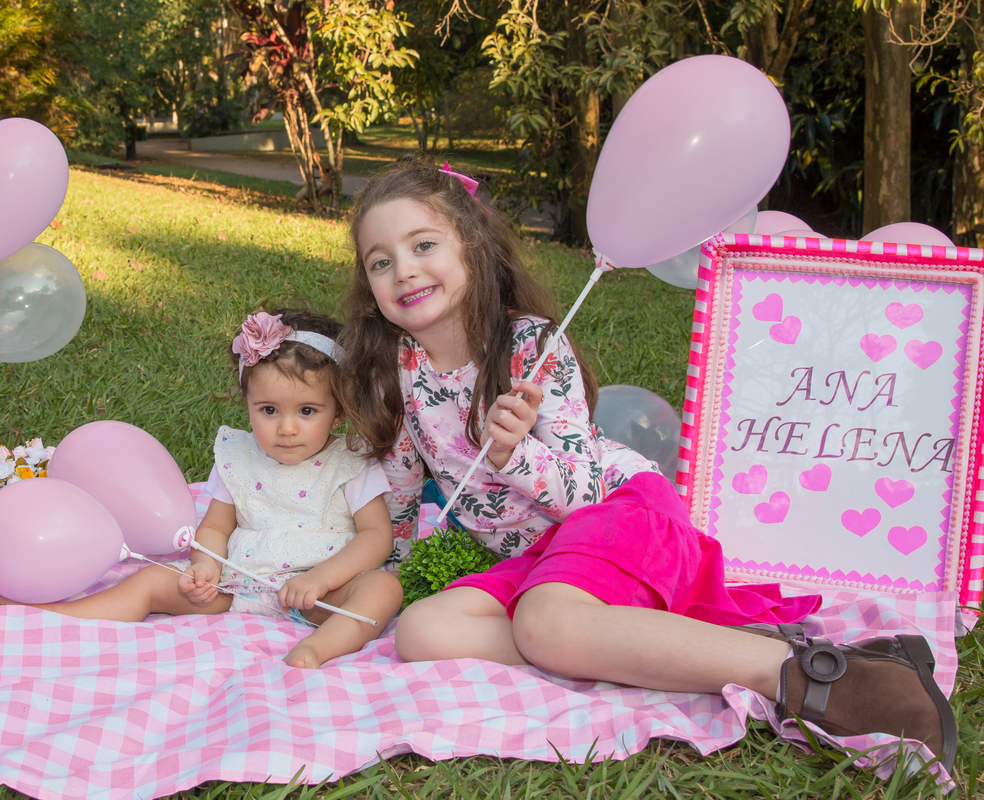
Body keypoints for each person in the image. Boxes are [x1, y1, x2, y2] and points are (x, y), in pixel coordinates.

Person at [338, 159, 957, 770]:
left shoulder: (529, 346)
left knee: (545, 623)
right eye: (381, 261)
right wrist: (380, 570)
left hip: (615, 512)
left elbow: (582, 493)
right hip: (535, 559)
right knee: (425, 631)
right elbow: (400, 487)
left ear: (472, 248)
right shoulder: (397, 367)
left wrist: (514, 454)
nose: (405, 270)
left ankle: (817, 677)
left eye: (423, 245)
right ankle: (652, 646)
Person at [0, 310, 402, 669]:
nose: (287, 428)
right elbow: (215, 528)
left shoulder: (350, 462)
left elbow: (376, 536)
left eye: (307, 411)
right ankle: (57, 616)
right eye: (268, 410)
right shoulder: (238, 457)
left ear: (338, 411)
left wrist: (322, 579)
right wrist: (205, 567)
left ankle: (319, 648)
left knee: (382, 589)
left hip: (320, 596)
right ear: (248, 404)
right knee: (152, 580)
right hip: (239, 584)